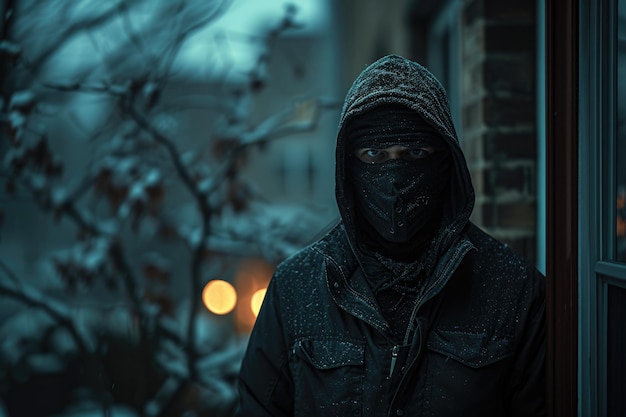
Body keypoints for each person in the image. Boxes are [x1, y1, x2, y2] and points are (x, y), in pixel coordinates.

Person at [235, 54, 545, 417]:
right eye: (373, 154)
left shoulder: (512, 290)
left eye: (414, 152)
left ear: (446, 160)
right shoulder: (296, 289)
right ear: (348, 168)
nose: (394, 178)